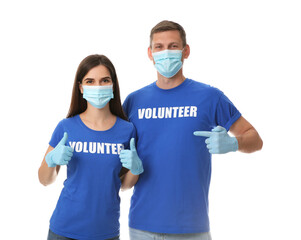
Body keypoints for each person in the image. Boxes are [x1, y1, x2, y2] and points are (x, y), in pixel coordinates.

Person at [123, 20, 263, 240]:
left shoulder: (209, 96)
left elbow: (255, 138)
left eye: (173, 46)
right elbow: (118, 162)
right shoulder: (133, 102)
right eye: (159, 47)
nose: (166, 53)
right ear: (150, 53)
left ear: (185, 51)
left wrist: (234, 143)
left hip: (191, 227)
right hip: (141, 225)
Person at [38, 54, 144, 240]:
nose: (98, 87)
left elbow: (123, 185)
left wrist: (136, 169)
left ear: (113, 85)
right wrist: (51, 160)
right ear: (81, 87)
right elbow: (45, 180)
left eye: (104, 80)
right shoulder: (66, 127)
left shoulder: (127, 130)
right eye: (90, 81)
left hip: (106, 231)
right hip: (64, 230)